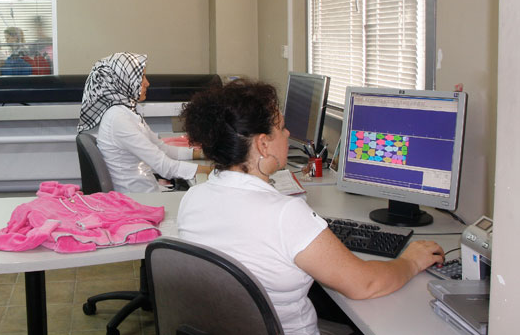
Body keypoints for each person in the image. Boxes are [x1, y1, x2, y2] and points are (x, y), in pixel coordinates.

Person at [177, 80, 445, 335]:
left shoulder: (193, 198)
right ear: (263, 143)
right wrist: (411, 262)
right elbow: (365, 284)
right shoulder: (285, 214)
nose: (287, 134)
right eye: (281, 127)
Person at [77, 52, 211, 193]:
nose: (147, 83)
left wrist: (202, 154)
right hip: (138, 197)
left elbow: (163, 149)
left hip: (145, 191)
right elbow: (165, 167)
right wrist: (212, 170)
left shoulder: (127, 112)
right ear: (123, 81)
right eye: (141, 77)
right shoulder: (118, 119)